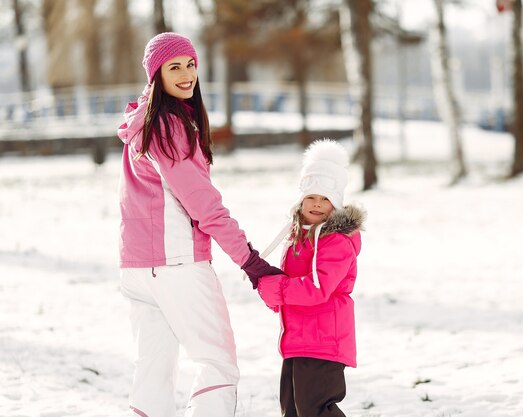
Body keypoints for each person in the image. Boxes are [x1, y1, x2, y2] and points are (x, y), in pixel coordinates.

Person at [117, 32, 281, 417]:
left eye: (191, 64)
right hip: (177, 264)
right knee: (218, 365)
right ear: (156, 75)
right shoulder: (169, 127)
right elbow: (205, 207)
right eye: (174, 67)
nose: (187, 74)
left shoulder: (142, 124)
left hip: (137, 268)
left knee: (153, 375)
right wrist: (250, 262)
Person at [256, 140, 365, 417]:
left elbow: (318, 289)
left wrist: (277, 290)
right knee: (292, 410)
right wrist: (273, 293)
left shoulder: (337, 242)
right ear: (301, 198)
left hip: (324, 341)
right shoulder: (296, 236)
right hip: (297, 339)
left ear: (336, 203)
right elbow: (290, 285)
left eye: (326, 198)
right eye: (311, 196)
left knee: (315, 410)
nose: (317, 203)